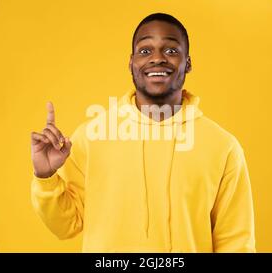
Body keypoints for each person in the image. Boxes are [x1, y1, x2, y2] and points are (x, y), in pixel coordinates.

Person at [30, 13, 255, 252]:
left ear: (188, 63)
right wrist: (45, 177)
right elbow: (66, 226)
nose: (157, 59)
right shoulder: (91, 137)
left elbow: (236, 243)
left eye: (171, 50)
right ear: (131, 63)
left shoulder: (223, 147)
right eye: (145, 51)